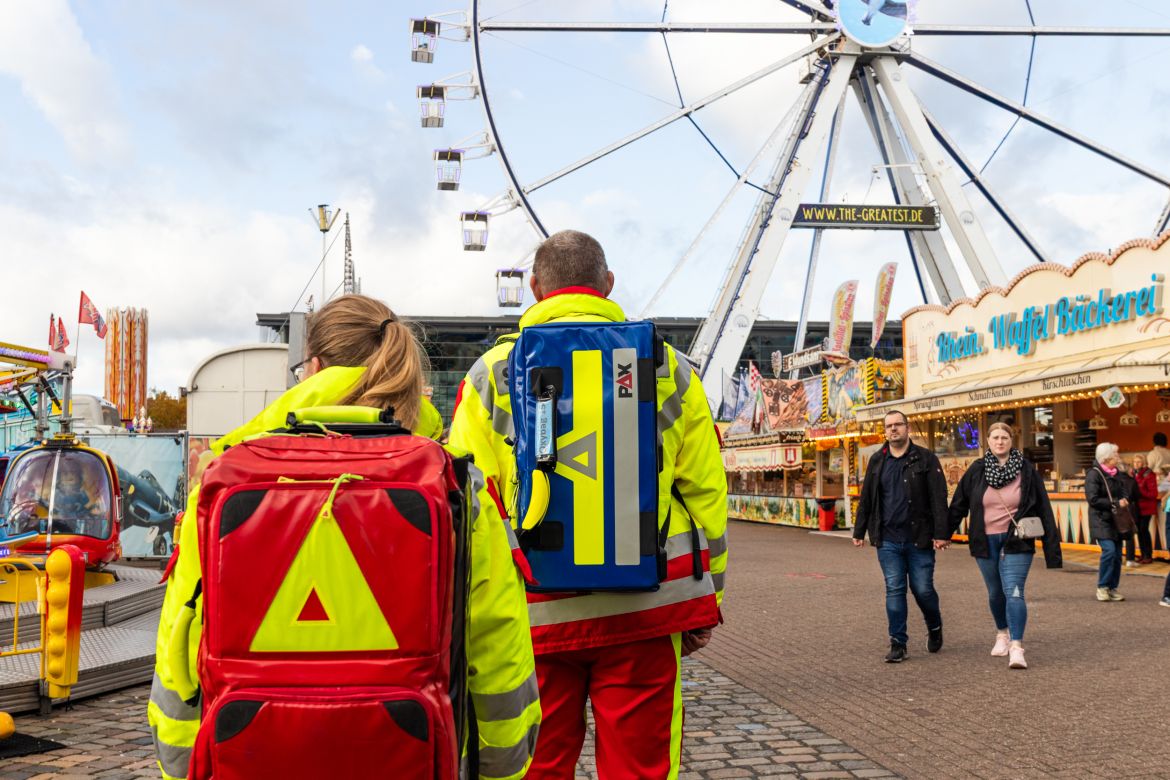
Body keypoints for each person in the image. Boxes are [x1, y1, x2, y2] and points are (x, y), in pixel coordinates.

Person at [149, 294, 539, 780]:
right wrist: (501, 768)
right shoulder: (455, 484)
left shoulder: (225, 477)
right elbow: (496, 638)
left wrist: (181, 765)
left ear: (313, 368)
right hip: (407, 754)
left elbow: (181, 640)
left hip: (251, 754)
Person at [448, 230, 727, 779]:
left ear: (535, 287)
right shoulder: (669, 368)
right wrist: (708, 596)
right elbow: (704, 492)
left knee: (538, 766)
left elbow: (469, 500)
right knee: (641, 768)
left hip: (533, 612)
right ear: (609, 284)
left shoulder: (492, 375)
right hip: (643, 612)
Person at [947, 423, 1062, 670]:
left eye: (1005, 438)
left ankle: (1017, 647)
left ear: (1012, 441)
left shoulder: (1026, 470)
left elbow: (1043, 507)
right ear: (988, 441)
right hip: (985, 540)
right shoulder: (977, 470)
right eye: (995, 437)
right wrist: (943, 534)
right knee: (995, 592)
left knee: (1015, 591)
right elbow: (959, 504)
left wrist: (1052, 550)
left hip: (1017, 540)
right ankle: (1002, 633)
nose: (1000, 442)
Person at [853, 409, 950, 663]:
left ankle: (935, 626)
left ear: (907, 428)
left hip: (919, 537)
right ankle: (898, 643)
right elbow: (867, 497)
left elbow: (938, 498)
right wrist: (859, 530)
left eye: (898, 424)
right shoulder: (877, 460)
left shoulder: (926, 459)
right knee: (894, 589)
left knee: (923, 589)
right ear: (885, 431)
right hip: (887, 538)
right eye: (889, 426)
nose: (893, 429)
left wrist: (941, 533)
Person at [1085, 442, 1128, 602]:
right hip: (1100, 519)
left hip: (1117, 520)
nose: (1118, 456)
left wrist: (1125, 499)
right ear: (1107, 458)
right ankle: (1102, 587)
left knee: (1117, 555)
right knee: (1109, 551)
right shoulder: (1094, 474)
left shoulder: (1117, 473)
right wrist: (1115, 503)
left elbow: (1124, 491)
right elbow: (1092, 499)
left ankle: (1112, 588)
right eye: (1115, 454)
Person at [1115, 462, 1143, 568]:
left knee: (1117, 534)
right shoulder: (1132, 481)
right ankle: (1130, 559)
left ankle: (1117, 559)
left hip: (1116, 509)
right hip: (1130, 509)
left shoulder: (1114, 480)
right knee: (1129, 534)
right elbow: (1137, 496)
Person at [1131, 454, 1158, 565]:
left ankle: (1148, 555)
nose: (1136, 464)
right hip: (1136, 507)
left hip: (1147, 507)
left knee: (1143, 530)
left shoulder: (1149, 474)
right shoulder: (1133, 474)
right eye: (1134, 462)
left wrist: (1139, 490)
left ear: (1144, 463)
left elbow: (1153, 494)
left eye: (1139, 462)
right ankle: (1143, 555)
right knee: (1139, 531)